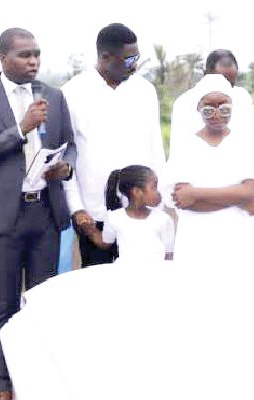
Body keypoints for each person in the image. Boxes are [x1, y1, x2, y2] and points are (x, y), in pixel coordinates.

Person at [0, 28, 76, 400]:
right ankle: (1, 380)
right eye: (25, 55)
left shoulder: (53, 96)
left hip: (45, 213)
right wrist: (21, 129)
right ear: (3, 58)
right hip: (3, 216)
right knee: (5, 304)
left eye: (36, 54)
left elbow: (70, 145)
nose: (33, 61)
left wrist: (65, 168)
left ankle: (39, 378)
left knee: (42, 301)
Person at [162, 73, 254, 312]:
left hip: (240, 237)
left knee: (242, 302)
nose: (216, 114)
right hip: (199, 239)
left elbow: (250, 191)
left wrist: (197, 194)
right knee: (201, 303)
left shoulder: (243, 143)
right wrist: (236, 198)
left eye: (224, 107)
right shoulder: (186, 147)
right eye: (208, 107)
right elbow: (182, 199)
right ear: (198, 108)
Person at [62, 23, 165, 267]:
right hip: (94, 213)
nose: (135, 66)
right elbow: (66, 156)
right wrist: (77, 208)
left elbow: (155, 148)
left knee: (144, 280)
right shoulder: (72, 93)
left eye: (136, 58)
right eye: (129, 60)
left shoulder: (145, 91)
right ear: (105, 57)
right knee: (99, 284)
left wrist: (158, 199)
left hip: (141, 213)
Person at [169, 49, 254, 163]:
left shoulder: (243, 97)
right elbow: (179, 152)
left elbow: (253, 144)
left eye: (231, 83)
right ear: (205, 74)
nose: (225, 86)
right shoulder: (183, 103)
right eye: (220, 79)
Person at [81, 165, 174, 263]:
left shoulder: (164, 220)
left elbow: (169, 255)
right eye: (154, 188)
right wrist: (90, 229)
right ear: (137, 192)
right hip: (125, 271)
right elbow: (105, 242)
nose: (159, 192)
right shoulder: (114, 218)